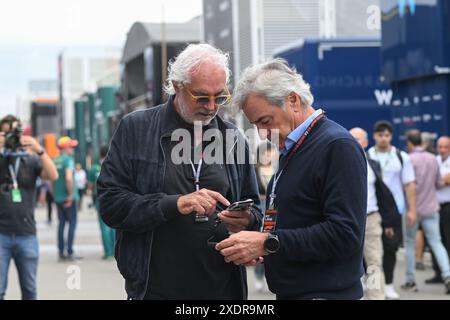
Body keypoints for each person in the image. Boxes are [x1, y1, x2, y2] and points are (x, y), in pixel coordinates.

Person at [97, 44, 262, 300]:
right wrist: (174, 204)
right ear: (177, 86)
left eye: (220, 97)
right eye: (201, 97)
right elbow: (110, 204)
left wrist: (247, 220)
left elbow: (256, 209)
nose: (211, 107)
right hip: (154, 289)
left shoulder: (232, 138)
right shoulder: (136, 129)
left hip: (221, 290)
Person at [215, 59, 367, 300]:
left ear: (293, 100)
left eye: (265, 121)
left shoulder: (337, 146)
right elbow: (298, 219)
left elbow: (345, 233)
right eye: (254, 125)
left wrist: (267, 242)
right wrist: (252, 226)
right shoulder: (295, 147)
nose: (262, 133)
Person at [0, 115, 58, 300]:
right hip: (1, 234)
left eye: (15, 132)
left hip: (27, 233)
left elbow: (52, 175)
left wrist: (39, 149)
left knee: (30, 290)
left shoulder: (29, 159)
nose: (11, 138)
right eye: (7, 132)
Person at [367, 120, 416, 299]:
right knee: (371, 252)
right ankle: (372, 285)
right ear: (374, 136)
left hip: (394, 211)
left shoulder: (401, 157)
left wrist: (412, 210)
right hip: (373, 210)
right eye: (380, 135)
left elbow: (409, 185)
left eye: (387, 135)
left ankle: (388, 284)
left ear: (391, 137)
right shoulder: (367, 156)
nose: (383, 138)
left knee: (390, 249)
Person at [350, 127, 400, 300]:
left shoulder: (372, 164)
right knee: (344, 262)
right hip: (347, 220)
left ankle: (376, 297)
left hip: (371, 218)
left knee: (374, 262)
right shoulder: (337, 163)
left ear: (365, 142)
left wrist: (388, 222)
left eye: (358, 139)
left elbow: (382, 194)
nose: (355, 142)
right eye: (351, 138)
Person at [401, 130, 450, 294]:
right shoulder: (432, 158)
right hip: (431, 206)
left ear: (409, 143)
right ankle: (447, 274)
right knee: (437, 242)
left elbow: (407, 184)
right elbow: (438, 183)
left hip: (412, 209)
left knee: (409, 243)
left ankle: (410, 280)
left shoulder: (408, 159)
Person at [254, 142, 278, 292]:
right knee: (260, 239)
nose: (268, 156)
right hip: (261, 204)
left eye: (270, 152)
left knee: (272, 239)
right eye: (265, 153)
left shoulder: (278, 169)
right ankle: (258, 275)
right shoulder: (254, 170)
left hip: (274, 207)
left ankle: (269, 274)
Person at [52, 136, 80, 261]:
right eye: (71, 147)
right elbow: (69, 178)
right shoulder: (68, 160)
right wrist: (70, 194)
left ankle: (60, 251)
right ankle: (69, 251)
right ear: (65, 148)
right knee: (72, 224)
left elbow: (50, 179)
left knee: (61, 224)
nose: (72, 149)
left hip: (58, 198)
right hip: (69, 198)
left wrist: (55, 194)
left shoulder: (55, 160)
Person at [427, 136, 450, 284]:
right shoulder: (434, 161)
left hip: (448, 205)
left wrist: (440, 180)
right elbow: (441, 181)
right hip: (435, 206)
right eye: (440, 146)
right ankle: (438, 272)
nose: (442, 149)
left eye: (445, 146)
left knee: (447, 239)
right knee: (435, 239)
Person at [88, 145, 115, 259]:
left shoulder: (94, 168)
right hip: (114, 198)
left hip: (100, 198)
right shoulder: (114, 165)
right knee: (115, 225)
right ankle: (115, 251)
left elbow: (89, 186)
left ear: (100, 154)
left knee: (104, 226)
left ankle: (108, 252)